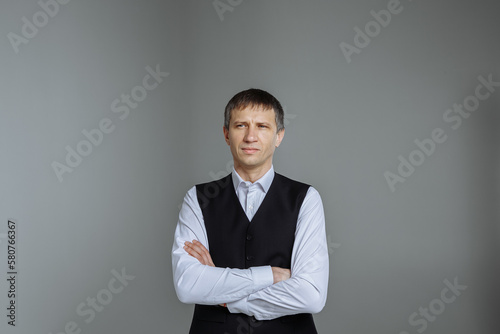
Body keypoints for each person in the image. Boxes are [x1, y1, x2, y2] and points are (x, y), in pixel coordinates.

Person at [172, 88, 329, 334]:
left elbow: (311, 294)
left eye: (262, 127)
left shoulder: (305, 198)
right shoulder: (197, 198)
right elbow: (188, 285)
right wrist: (270, 276)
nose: (250, 137)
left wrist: (226, 295)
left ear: (279, 136)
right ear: (226, 134)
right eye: (241, 126)